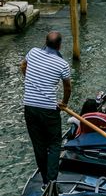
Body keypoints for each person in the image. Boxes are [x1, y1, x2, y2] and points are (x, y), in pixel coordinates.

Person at [20, 31, 72, 186]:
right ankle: (52, 181)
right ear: (60, 45)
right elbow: (68, 87)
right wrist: (63, 103)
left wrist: (29, 79)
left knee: (39, 145)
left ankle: (44, 180)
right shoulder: (62, 64)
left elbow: (23, 65)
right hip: (49, 110)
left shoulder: (33, 52)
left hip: (29, 107)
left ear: (45, 41)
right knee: (55, 143)